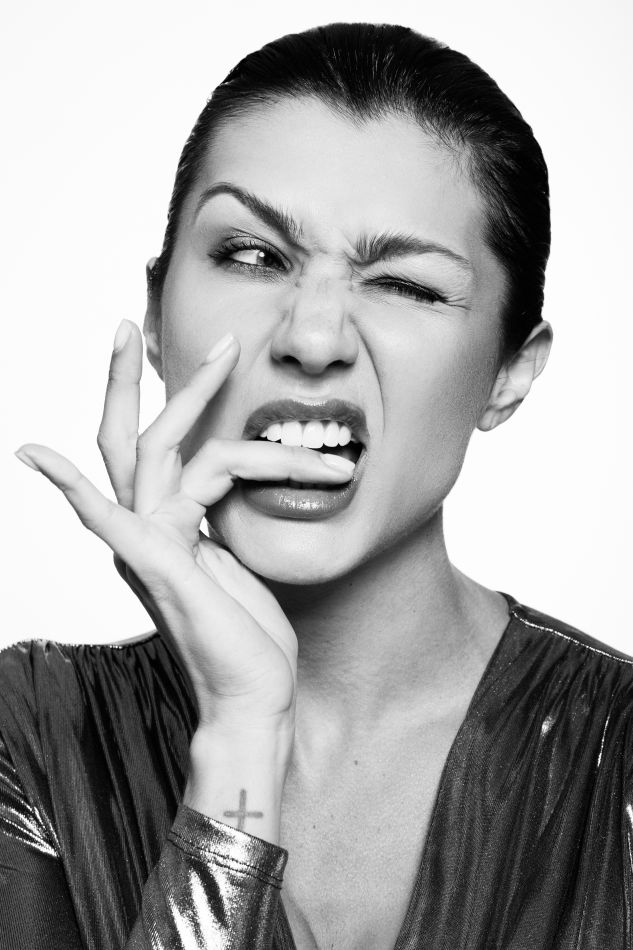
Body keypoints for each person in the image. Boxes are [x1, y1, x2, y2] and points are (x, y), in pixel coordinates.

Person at [4, 20, 633, 950]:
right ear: (156, 313)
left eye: (405, 284)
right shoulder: (28, 735)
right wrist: (238, 743)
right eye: (252, 255)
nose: (311, 337)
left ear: (510, 372)